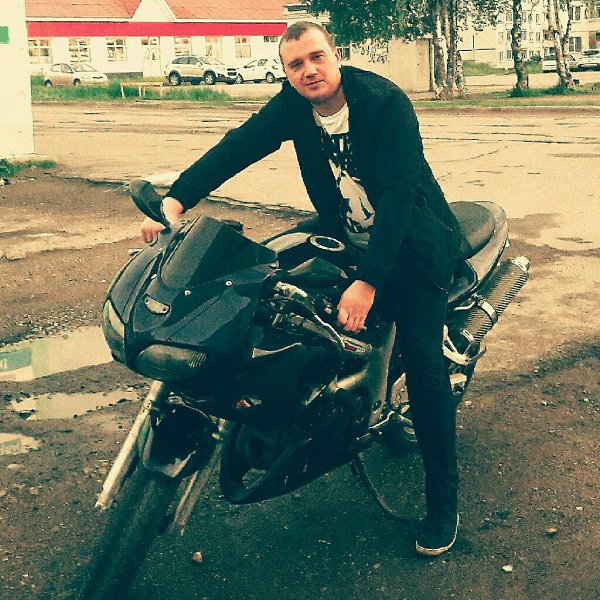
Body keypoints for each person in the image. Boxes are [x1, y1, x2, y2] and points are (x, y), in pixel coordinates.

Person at [141, 21, 464, 557]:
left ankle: (442, 507)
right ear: (287, 72)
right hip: (345, 235)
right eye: (296, 64)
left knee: (428, 374)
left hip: (413, 249)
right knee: (271, 286)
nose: (309, 70)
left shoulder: (383, 103)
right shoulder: (294, 105)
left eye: (317, 57)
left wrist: (367, 282)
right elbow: (238, 147)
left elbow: (400, 199)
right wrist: (175, 200)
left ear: (336, 55)